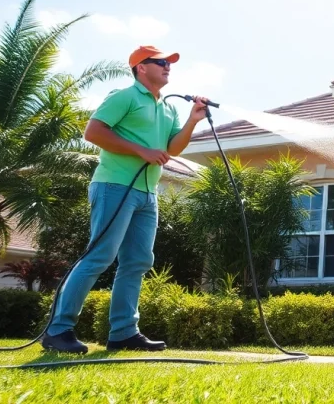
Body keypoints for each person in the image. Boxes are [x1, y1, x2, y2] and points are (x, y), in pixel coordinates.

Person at [41, 45, 210, 354]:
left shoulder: (168, 108)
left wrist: (192, 121)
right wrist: (140, 150)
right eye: (160, 62)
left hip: (147, 193)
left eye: (169, 62)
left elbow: (172, 149)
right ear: (141, 67)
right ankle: (58, 330)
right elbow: (93, 132)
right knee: (100, 256)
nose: (167, 66)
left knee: (138, 261)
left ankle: (123, 333)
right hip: (114, 185)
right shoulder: (124, 96)